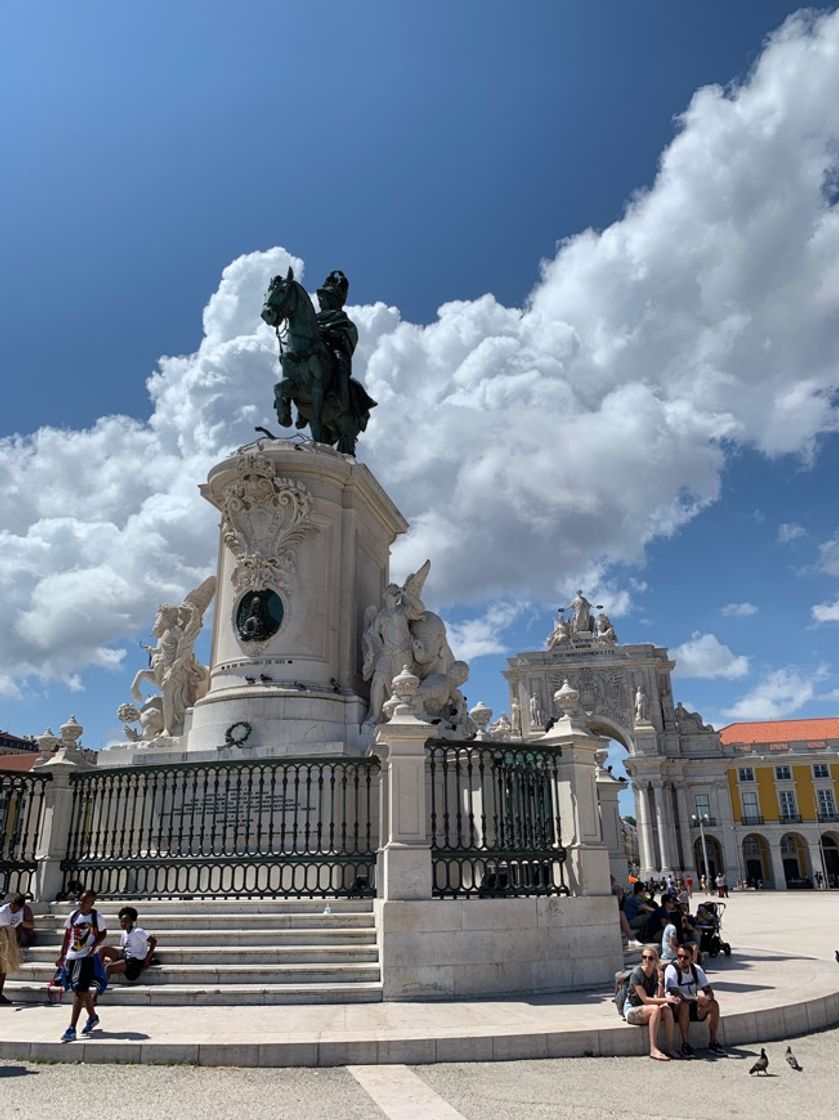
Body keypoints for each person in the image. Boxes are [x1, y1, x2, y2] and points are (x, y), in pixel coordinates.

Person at [56, 889, 107, 1042]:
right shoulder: (73, 915)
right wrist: (62, 953)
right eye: (81, 900)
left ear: (92, 902)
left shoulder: (96, 917)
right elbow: (68, 935)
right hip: (72, 956)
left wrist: (94, 946)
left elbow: (103, 933)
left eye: (85, 901)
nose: (81, 903)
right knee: (82, 990)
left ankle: (72, 1028)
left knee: (79, 990)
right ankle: (92, 1016)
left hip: (86, 958)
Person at [664, 946, 724, 1056]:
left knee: (713, 1004)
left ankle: (713, 1042)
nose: (682, 959)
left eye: (685, 957)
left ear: (692, 958)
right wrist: (696, 999)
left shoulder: (696, 970)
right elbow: (676, 994)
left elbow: (709, 991)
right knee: (684, 1005)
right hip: (676, 1008)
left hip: (694, 1006)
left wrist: (707, 999)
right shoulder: (671, 969)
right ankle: (685, 1044)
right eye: (679, 956)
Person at [622, 945, 679, 1061]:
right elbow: (645, 1000)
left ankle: (671, 1048)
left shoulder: (654, 973)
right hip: (632, 1010)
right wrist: (667, 999)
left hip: (645, 1009)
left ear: (656, 961)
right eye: (644, 957)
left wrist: (660, 982)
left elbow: (659, 998)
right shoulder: (636, 974)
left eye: (650, 958)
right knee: (655, 1009)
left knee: (667, 1010)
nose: (646, 960)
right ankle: (653, 1048)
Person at [98, 907, 157, 982]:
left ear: (132, 921)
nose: (123, 924)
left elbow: (154, 941)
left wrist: (147, 959)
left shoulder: (138, 931)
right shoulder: (124, 933)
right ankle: (96, 973)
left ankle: (101, 988)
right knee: (102, 949)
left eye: (126, 922)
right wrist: (111, 959)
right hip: (126, 959)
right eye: (122, 922)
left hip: (135, 963)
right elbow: (125, 949)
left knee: (109, 967)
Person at [0, 894, 32, 1005]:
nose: (15, 911)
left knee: (3, 969)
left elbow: (17, 927)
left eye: (18, 909)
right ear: (11, 904)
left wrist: (15, 943)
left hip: (9, 938)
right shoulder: (3, 912)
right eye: (14, 908)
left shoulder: (20, 911)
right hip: (1, 937)